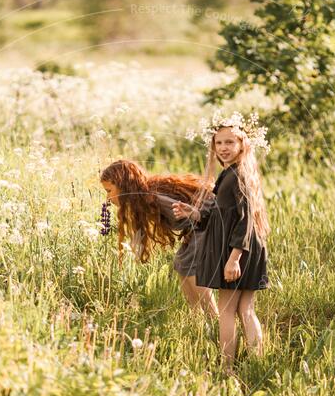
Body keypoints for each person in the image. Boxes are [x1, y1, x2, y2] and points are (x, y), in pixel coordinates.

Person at [172, 111, 270, 371]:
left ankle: (227, 367)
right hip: (247, 247)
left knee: (227, 310)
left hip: (238, 251)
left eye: (230, 142)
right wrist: (192, 213)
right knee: (244, 309)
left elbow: (245, 220)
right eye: (219, 143)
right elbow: (220, 217)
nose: (224, 148)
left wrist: (233, 259)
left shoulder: (238, 176)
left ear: (242, 145)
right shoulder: (233, 174)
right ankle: (256, 363)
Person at [100, 159, 218, 319]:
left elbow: (201, 210)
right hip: (200, 225)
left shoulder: (155, 197)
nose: (107, 198)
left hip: (213, 220)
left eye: (109, 190)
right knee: (181, 262)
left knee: (189, 263)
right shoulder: (144, 199)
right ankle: (197, 317)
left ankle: (213, 316)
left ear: (122, 186)